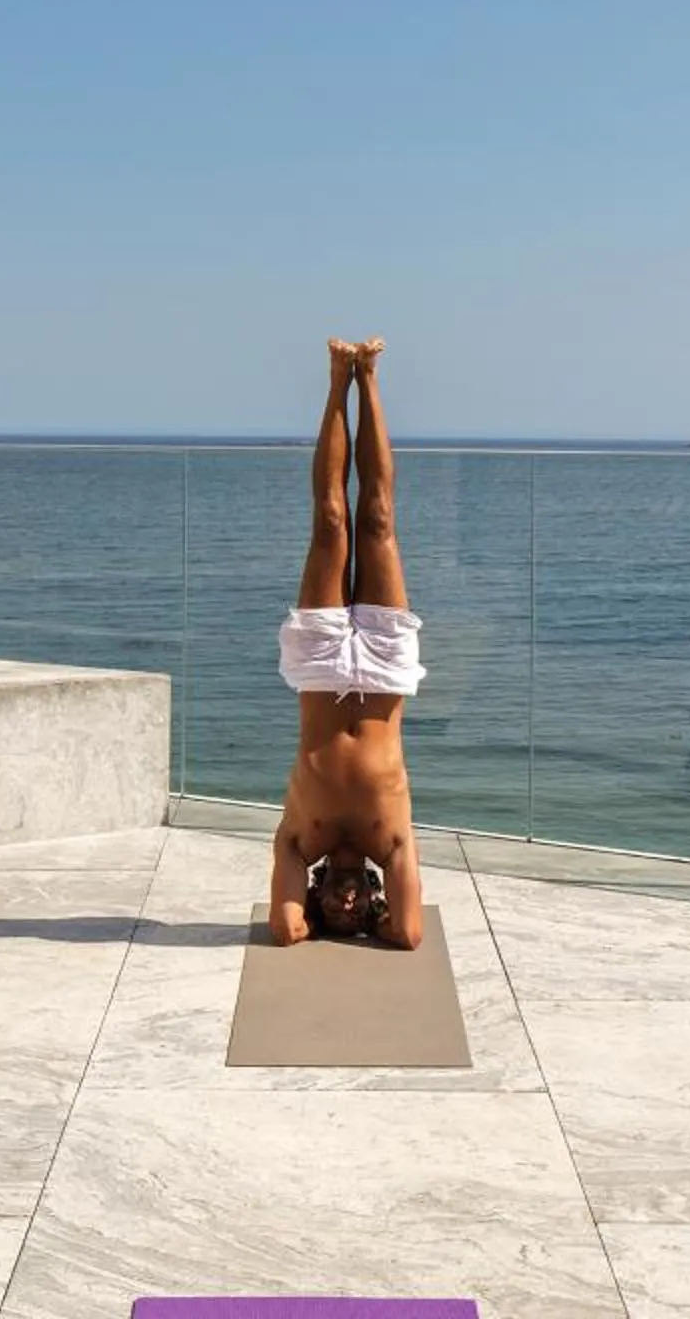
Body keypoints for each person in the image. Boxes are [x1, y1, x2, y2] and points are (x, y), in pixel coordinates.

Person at [268, 337, 426, 950]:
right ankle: (371, 378)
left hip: (318, 669)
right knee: (379, 519)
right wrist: (379, 923)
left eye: (333, 910)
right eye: (355, 913)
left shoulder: (300, 840)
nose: (346, 904)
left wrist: (309, 919)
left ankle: (339, 379)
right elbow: (408, 933)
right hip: (386, 673)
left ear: (316, 898)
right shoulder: (392, 843)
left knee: (331, 523)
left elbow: (286, 929)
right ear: (374, 901)